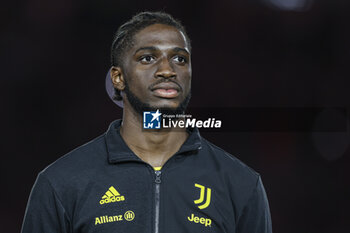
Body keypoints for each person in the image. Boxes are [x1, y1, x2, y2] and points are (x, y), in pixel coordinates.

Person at [21, 11, 273, 233]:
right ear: (118, 78)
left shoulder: (241, 184)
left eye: (180, 59)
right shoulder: (61, 183)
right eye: (147, 58)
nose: (167, 70)